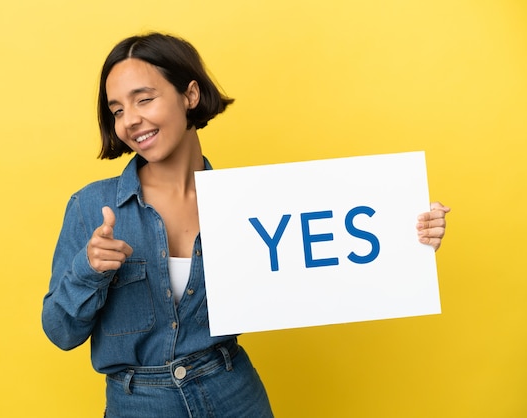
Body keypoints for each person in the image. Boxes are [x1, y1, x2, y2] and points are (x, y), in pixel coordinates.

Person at [41, 32, 450, 418]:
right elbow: (60, 332)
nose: (129, 120)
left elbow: (325, 264)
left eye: (143, 99)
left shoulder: (249, 205)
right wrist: (89, 270)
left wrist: (405, 239)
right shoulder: (92, 207)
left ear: (190, 95)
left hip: (232, 392)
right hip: (139, 403)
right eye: (117, 110)